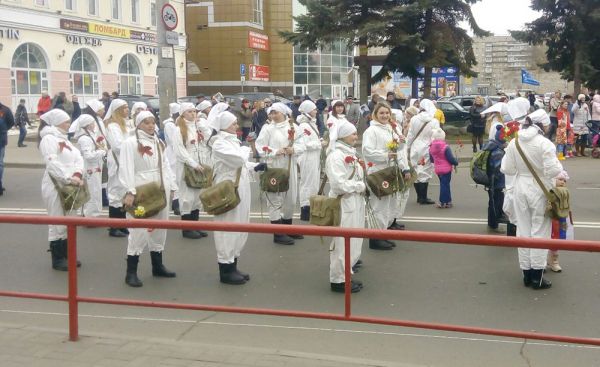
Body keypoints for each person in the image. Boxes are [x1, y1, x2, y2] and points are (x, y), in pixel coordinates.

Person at [500, 109, 563, 290]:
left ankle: (526, 274)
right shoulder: (545, 144)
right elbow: (552, 171)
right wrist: (558, 164)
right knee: (540, 232)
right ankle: (537, 276)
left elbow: (507, 168)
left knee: (523, 230)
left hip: (520, 187)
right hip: (541, 188)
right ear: (543, 125)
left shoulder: (514, 142)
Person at [120, 111, 177, 287]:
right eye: (146, 122)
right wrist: (129, 190)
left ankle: (157, 265)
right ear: (138, 124)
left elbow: (165, 165)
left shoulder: (158, 142)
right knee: (139, 228)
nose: (151, 125)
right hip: (141, 190)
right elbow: (126, 167)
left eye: (153, 122)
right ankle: (131, 271)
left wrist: (172, 185)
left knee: (160, 226)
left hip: (160, 188)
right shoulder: (130, 143)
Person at [210, 111, 266, 285]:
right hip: (227, 187)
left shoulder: (232, 141)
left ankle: (233, 264)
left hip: (239, 184)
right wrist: (246, 148)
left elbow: (241, 164)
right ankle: (225, 268)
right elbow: (236, 160)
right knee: (227, 225)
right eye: (233, 123)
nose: (236, 126)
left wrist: (255, 166)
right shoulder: (219, 143)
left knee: (241, 224)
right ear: (224, 125)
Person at [38, 109, 84, 271]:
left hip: (71, 184)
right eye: (65, 121)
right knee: (57, 219)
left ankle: (67, 255)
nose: (68, 123)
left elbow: (78, 158)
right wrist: (67, 178)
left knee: (68, 220)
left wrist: (77, 174)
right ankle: (57, 258)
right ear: (56, 122)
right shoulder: (49, 139)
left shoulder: (65, 139)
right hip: (55, 185)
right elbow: (52, 163)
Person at [362, 102, 410, 250]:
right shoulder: (371, 131)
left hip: (390, 171)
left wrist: (401, 143)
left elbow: (397, 149)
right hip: (378, 172)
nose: (385, 116)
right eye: (381, 113)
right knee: (379, 205)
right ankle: (375, 238)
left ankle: (382, 233)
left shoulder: (390, 128)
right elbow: (367, 151)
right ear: (375, 115)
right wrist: (385, 155)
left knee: (388, 204)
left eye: (387, 113)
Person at [326, 118, 366, 293]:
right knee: (342, 242)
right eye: (353, 133)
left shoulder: (349, 152)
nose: (356, 136)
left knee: (354, 239)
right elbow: (337, 184)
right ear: (343, 135)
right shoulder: (336, 156)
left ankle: (346, 273)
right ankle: (338, 280)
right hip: (344, 202)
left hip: (354, 201)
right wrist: (359, 186)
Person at [255, 102, 301, 245]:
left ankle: (287, 227)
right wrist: (276, 151)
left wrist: (294, 150)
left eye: (276, 113)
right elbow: (260, 146)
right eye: (271, 113)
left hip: (289, 165)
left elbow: (302, 143)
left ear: (283, 113)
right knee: (275, 198)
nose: (273, 115)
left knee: (291, 198)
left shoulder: (293, 127)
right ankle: (278, 232)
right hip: (274, 166)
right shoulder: (267, 128)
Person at [172, 103, 209, 239]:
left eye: (194, 111)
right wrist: (193, 163)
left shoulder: (197, 127)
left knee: (197, 197)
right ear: (183, 114)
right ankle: (187, 229)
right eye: (189, 112)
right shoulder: (179, 130)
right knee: (187, 197)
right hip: (187, 166)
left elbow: (207, 141)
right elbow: (180, 151)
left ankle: (195, 226)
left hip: (199, 165)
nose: (193, 114)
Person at [104, 99, 131, 237]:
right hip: (117, 161)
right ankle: (114, 226)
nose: (128, 110)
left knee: (124, 191)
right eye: (124, 108)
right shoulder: (113, 126)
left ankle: (122, 223)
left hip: (125, 160)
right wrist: (133, 145)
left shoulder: (125, 124)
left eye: (127, 107)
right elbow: (117, 146)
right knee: (116, 191)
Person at [406, 99, 440, 205]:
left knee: (416, 170)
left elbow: (410, 134)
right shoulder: (434, 121)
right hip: (426, 147)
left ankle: (419, 197)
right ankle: (423, 197)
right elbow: (436, 137)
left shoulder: (414, 119)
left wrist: (407, 147)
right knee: (425, 171)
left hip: (415, 147)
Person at [295, 100, 324, 221]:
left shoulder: (310, 123)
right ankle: (305, 210)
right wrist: (320, 143)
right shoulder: (303, 125)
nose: (316, 111)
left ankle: (311, 207)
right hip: (307, 157)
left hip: (313, 156)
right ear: (307, 111)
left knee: (313, 183)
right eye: (314, 109)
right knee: (307, 183)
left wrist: (319, 142)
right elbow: (306, 143)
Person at [74, 114, 107, 218]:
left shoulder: (90, 136)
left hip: (94, 169)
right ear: (87, 125)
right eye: (92, 123)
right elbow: (88, 155)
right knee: (93, 192)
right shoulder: (85, 139)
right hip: (90, 169)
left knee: (93, 191)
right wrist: (101, 152)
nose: (94, 125)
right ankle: (91, 216)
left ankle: (87, 213)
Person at [482, 125, 508, 233]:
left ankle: (492, 224)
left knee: (493, 202)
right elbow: (497, 168)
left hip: (491, 181)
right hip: (495, 183)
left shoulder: (493, 146)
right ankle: (493, 226)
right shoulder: (498, 151)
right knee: (496, 203)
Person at [548, 170, 573, 273]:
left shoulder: (565, 191)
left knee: (558, 239)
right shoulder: (551, 190)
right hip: (552, 218)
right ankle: (546, 260)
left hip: (562, 219)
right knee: (549, 238)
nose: (563, 182)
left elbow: (568, 204)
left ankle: (554, 260)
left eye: (564, 180)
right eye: (560, 179)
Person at [428, 128, 458, 208]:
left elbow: (431, 159)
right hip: (446, 169)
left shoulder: (431, 147)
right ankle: (443, 202)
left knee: (444, 184)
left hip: (438, 169)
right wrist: (456, 162)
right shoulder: (445, 147)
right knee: (445, 185)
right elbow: (450, 159)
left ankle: (448, 201)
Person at [163, 103, 181, 215]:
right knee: (174, 177)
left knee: (179, 178)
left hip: (178, 152)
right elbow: (173, 140)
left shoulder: (176, 124)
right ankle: (175, 204)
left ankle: (179, 202)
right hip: (172, 153)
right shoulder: (169, 125)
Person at [0, 101, 15, 195]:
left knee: (0, 164)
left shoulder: (5, 110)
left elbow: (11, 122)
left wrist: (3, 130)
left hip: (0, 141)